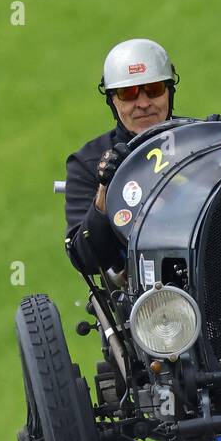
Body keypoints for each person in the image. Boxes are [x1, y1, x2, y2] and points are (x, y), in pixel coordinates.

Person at [63, 38, 178, 275]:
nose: (143, 103)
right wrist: (105, 188)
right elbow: (87, 261)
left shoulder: (201, 141)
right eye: (129, 93)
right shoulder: (88, 162)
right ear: (112, 101)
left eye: (154, 90)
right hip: (139, 292)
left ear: (169, 92)